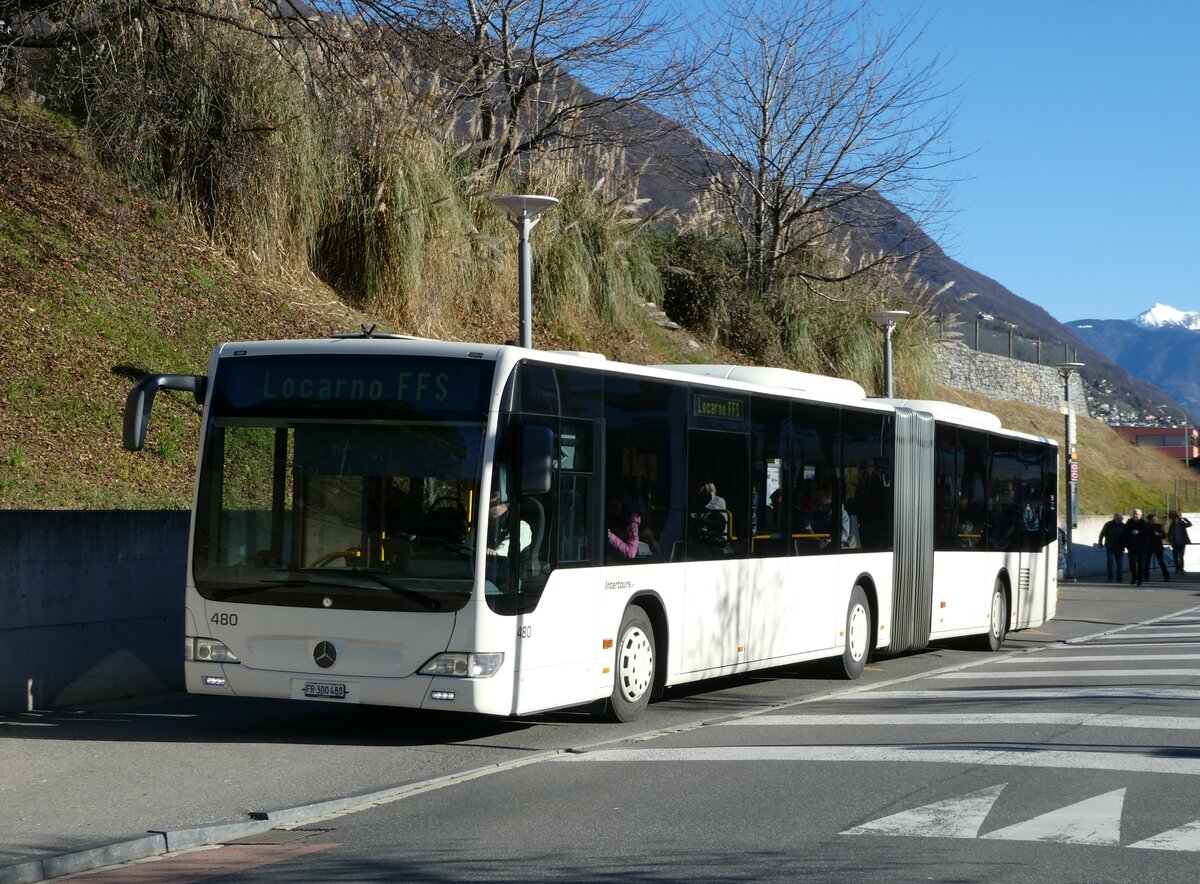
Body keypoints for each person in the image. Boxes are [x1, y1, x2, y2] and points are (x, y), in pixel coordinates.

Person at [805, 482, 850, 549]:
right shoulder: (816, 510)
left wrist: (825, 541)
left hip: (833, 548)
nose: (816, 498)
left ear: (828, 497)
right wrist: (815, 539)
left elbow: (843, 535)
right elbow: (807, 526)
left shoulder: (841, 513)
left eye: (819, 496)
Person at [487, 493, 531, 558]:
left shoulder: (521, 527)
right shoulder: (482, 524)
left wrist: (493, 553)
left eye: (492, 496)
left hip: (508, 564)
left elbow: (505, 550)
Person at [606, 493, 642, 560]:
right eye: (609, 506)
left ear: (624, 507)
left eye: (615, 506)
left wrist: (610, 535)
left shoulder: (632, 524)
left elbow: (631, 553)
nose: (611, 510)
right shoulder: (613, 520)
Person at [1097, 512, 1125, 583]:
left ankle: (1119, 578)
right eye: (1120, 518)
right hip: (1110, 546)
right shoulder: (1108, 524)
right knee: (1110, 562)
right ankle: (1110, 577)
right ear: (1115, 518)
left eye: (1121, 518)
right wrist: (1100, 543)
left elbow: (1126, 536)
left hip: (1120, 547)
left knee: (1120, 563)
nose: (1121, 519)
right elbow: (1102, 533)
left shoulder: (1123, 525)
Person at [1123, 509, 1148, 586]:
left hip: (1141, 547)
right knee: (1132, 563)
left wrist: (1139, 532)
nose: (1135, 515)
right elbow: (1125, 532)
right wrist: (1125, 544)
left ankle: (1140, 579)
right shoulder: (1129, 522)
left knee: (1141, 564)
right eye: (1134, 513)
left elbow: (1147, 531)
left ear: (1140, 515)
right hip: (1131, 546)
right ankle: (1134, 577)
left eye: (1137, 514)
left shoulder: (1143, 522)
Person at [1144, 514, 1170, 582]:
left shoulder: (1159, 526)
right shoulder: (1145, 526)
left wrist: (1158, 534)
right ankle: (1146, 577)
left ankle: (1166, 576)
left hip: (1157, 546)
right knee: (1146, 562)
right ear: (1150, 520)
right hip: (1148, 546)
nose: (1155, 520)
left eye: (1155, 519)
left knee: (1161, 562)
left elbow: (1164, 535)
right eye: (1153, 519)